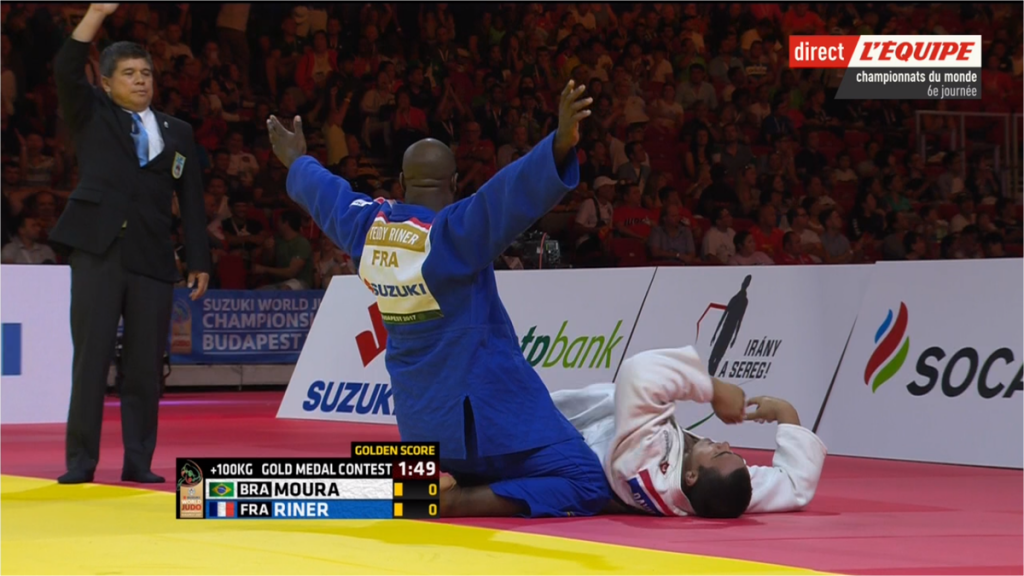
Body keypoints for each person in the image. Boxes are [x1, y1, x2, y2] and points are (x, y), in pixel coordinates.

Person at [269, 80, 608, 518]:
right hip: (489, 424)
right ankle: (457, 499)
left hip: (423, 432)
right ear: (453, 182)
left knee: (428, 466)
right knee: (585, 480)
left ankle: (415, 482)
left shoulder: (368, 230)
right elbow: (507, 195)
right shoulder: (453, 235)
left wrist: (297, 163)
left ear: (402, 183)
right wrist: (559, 145)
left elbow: (329, 197)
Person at [50, 3, 210, 485]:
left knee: (144, 369)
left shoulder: (177, 132)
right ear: (105, 82)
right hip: (97, 252)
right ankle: (80, 463)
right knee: (92, 360)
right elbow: (63, 65)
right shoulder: (92, 115)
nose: (141, 81)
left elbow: (193, 200)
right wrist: (97, 12)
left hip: (152, 257)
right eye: (129, 74)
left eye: (146, 73)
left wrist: (198, 259)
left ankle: (138, 462)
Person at [553, 346, 827, 518]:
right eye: (733, 454)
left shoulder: (647, 458)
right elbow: (796, 485)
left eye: (718, 453)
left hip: (557, 431)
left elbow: (639, 371)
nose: (724, 443)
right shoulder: (719, 495)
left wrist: (714, 389)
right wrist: (784, 412)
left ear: (692, 476)